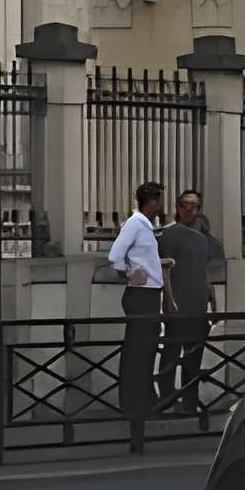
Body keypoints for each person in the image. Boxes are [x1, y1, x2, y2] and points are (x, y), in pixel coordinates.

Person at [156, 188, 223, 416]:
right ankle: (167, 398)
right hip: (178, 305)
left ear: (199, 209)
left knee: (194, 355)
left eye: (192, 205)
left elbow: (204, 270)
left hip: (197, 305)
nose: (188, 209)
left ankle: (189, 402)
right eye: (184, 205)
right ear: (177, 208)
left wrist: (212, 299)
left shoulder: (204, 240)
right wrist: (170, 300)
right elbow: (165, 269)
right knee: (171, 353)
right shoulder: (169, 236)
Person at [107, 180, 166, 423]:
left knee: (145, 350)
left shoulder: (145, 226)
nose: (161, 205)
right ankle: (135, 404)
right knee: (139, 352)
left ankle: (143, 400)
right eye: (159, 201)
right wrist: (130, 274)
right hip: (142, 295)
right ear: (152, 202)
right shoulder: (135, 225)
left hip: (149, 294)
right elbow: (115, 255)